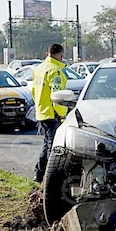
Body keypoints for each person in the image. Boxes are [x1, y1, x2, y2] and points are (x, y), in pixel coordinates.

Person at [32, 43, 68, 183]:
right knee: (53, 148)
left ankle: (39, 174)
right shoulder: (55, 71)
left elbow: (34, 91)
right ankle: (49, 179)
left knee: (47, 144)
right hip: (53, 114)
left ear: (48, 53)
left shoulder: (39, 68)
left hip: (42, 111)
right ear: (60, 54)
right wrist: (62, 114)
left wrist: (40, 106)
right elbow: (57, 96)